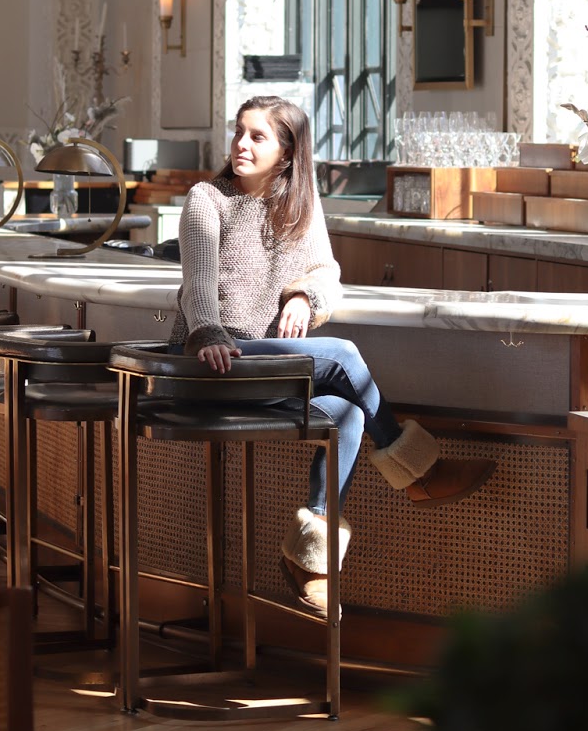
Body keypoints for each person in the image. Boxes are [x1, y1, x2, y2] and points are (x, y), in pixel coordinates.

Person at [168, 95, 495, 616]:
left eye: (257, 136)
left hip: (266, 369)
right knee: (342, 354)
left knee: (346, 413)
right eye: (239, 132)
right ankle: (421, 474)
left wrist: (304, 296)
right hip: (213, 361)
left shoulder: (300, 203)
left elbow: (327, 272)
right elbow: (198, 284)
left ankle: (309, 562)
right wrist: (207, 332)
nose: (241, 144)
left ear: (287, 152)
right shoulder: (207, 199)